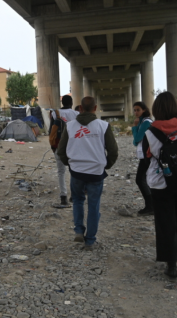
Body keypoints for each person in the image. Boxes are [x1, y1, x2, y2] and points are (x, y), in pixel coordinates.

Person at [143, 91, 177, 278]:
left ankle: (171, 264)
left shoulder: (150, 132)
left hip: (160, 183)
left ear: (156, 109)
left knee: (165, 222)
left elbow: (146, 157)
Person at [57, 96, 118, 250]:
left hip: (77, 171)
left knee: (77, 200)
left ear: (81, 108)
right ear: (95, 108)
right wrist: (106, 165)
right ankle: (90, 240)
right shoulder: (103, 126)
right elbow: (113, 151)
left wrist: (70, 164)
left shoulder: (70, 126)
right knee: (93, 205)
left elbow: (61, 150)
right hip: (96, 172)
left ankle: (78, 230)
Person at [50, 95, 79, 206]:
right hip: (73, 147)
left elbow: (51, 132)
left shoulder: (55, 113)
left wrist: (53, 146)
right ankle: (73, 195)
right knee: (73, 171)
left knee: (61, 172)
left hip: (59, 146)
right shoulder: (76, 114)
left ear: (62, 102)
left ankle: (63, 197)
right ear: (71, 103)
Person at [132, 101, 153, 215]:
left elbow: (136, 139)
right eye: (134, 110)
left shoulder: (145, 123)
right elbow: (136, 142)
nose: (136, 112)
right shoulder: (142, 122)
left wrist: (134, 128)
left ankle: (150, 206)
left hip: (147, 155)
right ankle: (151, 205)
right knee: (145, 179)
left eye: (138, 110)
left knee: (140, 179)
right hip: (145, 155)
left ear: (144, 110)